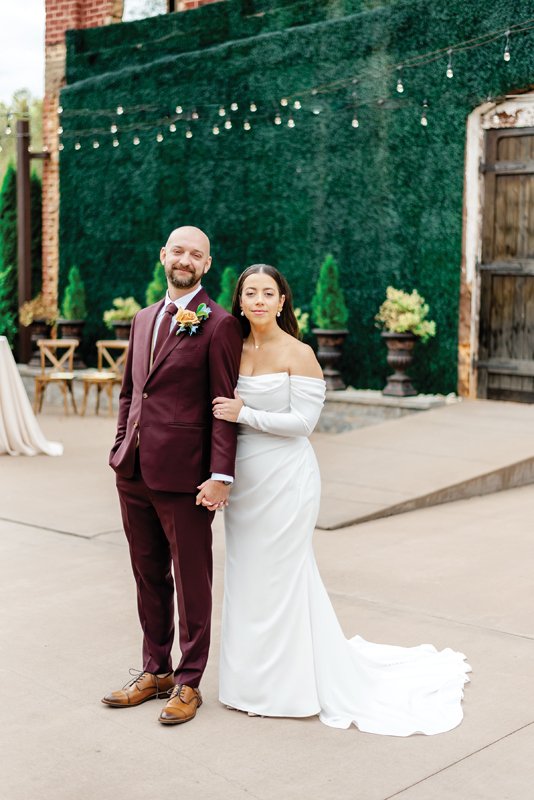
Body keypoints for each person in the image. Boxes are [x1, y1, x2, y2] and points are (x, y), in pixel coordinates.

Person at [213, 264, 471, 735]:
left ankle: (287, 688)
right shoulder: (231, 348)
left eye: (268, 293)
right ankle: (247, 684)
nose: (258, 301)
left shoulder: (300, 353)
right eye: (250, 293)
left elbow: (303, 424)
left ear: (283, 300)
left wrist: (245, 412)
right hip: (245, 482)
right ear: (240, 300)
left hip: (287, 479)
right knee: (247, 578)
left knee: (284, 578)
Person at [102, 226, 242, 726]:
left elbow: (223, 408)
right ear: (164, 255)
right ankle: (155, 670)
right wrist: (121, 445)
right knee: (147, 576)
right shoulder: (142, 319)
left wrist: (220, 473)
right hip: (133, 470)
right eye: (178, 250)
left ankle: (188, 681)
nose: (185, 259)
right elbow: (130, 392)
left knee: (191, 579)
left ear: (207, 264)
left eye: (196, 254)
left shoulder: (220, 324)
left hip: (186, 476)